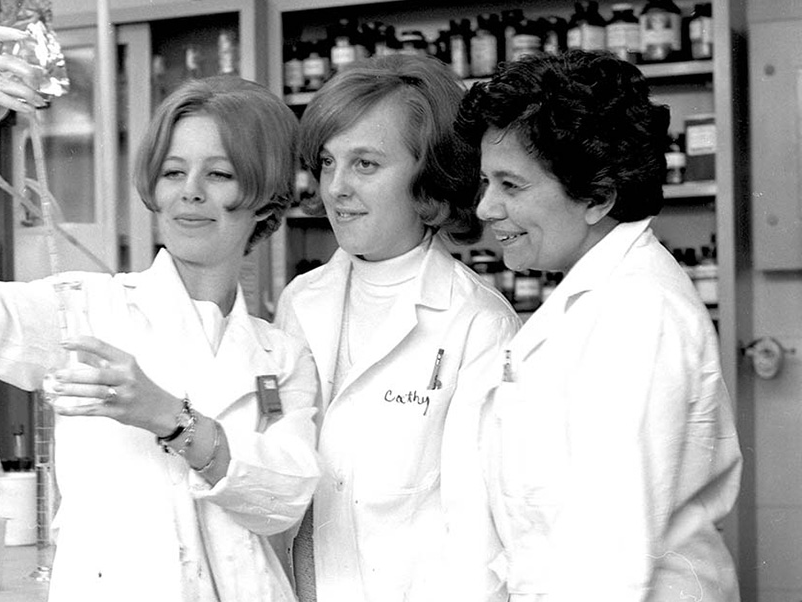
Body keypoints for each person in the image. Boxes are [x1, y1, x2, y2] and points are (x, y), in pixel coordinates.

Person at [0, 25, 320, 601]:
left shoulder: (282, 354)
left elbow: (285, 497)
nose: (189, 192)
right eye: (173, 172)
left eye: (218, 174)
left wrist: (170, 417)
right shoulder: (89, 307)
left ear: (266, 199)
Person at [459, 49, 742, 600]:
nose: (486, 209)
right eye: (485, 183)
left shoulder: (637, 315)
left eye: (510, 185)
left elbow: (607, 557)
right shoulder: (594, 297)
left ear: (598, 196)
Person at [274, 53, 520, 600]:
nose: (336, 188)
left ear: (429, 180)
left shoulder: (477, 322)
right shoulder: (301, 301)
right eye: (328, 162)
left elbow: (479, 534)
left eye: (365, 164)